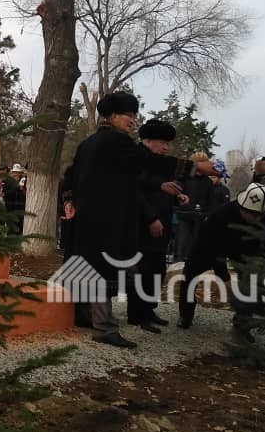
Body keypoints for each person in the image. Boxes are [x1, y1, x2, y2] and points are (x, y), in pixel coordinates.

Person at [63, 92, 200, 348]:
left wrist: (69, 200)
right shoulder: (116, 141)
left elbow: (70, 174)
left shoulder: (88, 143)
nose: (133, 120)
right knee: (104, 271)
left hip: (90, 218)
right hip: (108, 219)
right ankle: (104, 328)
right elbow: (148, 162)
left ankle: (89, 316)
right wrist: (194, 168)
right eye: (129, 115)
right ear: (113, 116)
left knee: (94, 268)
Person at [177, 182, 265, 330]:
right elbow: (214, 250)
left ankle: (242, 321)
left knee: (250, 279)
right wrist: (224, 279)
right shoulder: (221, 215)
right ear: (241, 207)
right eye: (250, 213)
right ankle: (185, 315)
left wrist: (260, 258)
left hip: (243, 248)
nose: (254, 218)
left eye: (258, 215)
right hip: (208, 246)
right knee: (189, 275)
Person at [128, 119, 188, 333]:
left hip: (161, 224)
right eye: (162, 142)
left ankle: (149, 309)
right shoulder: (138, 159)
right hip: (143, 225)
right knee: (143, 270)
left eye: (167, 143)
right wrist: (151, 218)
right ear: (148, 140)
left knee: (157, 269)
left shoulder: (160, 163)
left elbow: (162, 190)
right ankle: (137, 313)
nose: (165, 147)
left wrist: (177, 196)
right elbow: (137, 193)